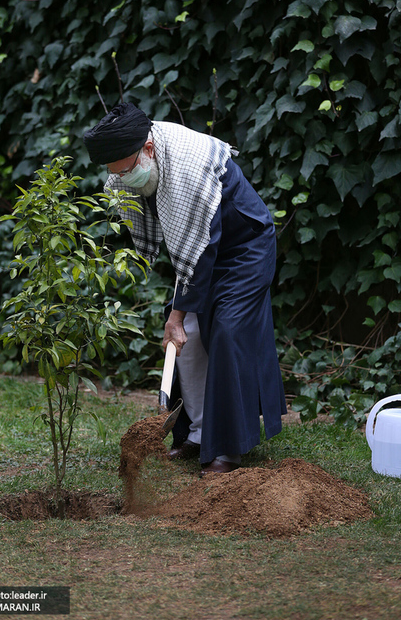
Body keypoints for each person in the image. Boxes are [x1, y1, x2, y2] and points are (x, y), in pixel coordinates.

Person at [84, 102, 287, 476]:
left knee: (226, 330)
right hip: (206, 246)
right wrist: (179, 318)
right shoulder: (135, 162)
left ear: (148, 149)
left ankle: (227, 448)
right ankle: (196, 434)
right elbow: (185, 244)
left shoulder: (187, 166)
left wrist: (177, 313)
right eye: (115, 175)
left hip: (245, 248)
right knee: (187, 337)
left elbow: (202, 246)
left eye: (126, 172)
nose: (122, 180)